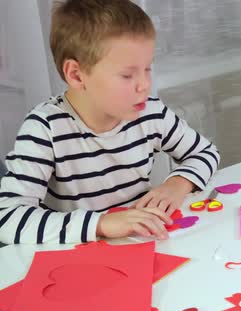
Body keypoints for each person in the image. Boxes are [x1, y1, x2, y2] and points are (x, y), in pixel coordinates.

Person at [0, 0, 220, 244]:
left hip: (142, 247)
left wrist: (178, 184)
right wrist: (101, 223)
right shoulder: (45, 129)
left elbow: (205, 152)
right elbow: (8, 218)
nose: (144, 84)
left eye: (147, 68)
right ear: (76, 74)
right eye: (127, 74)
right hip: (79, 260)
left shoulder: (150, 113)